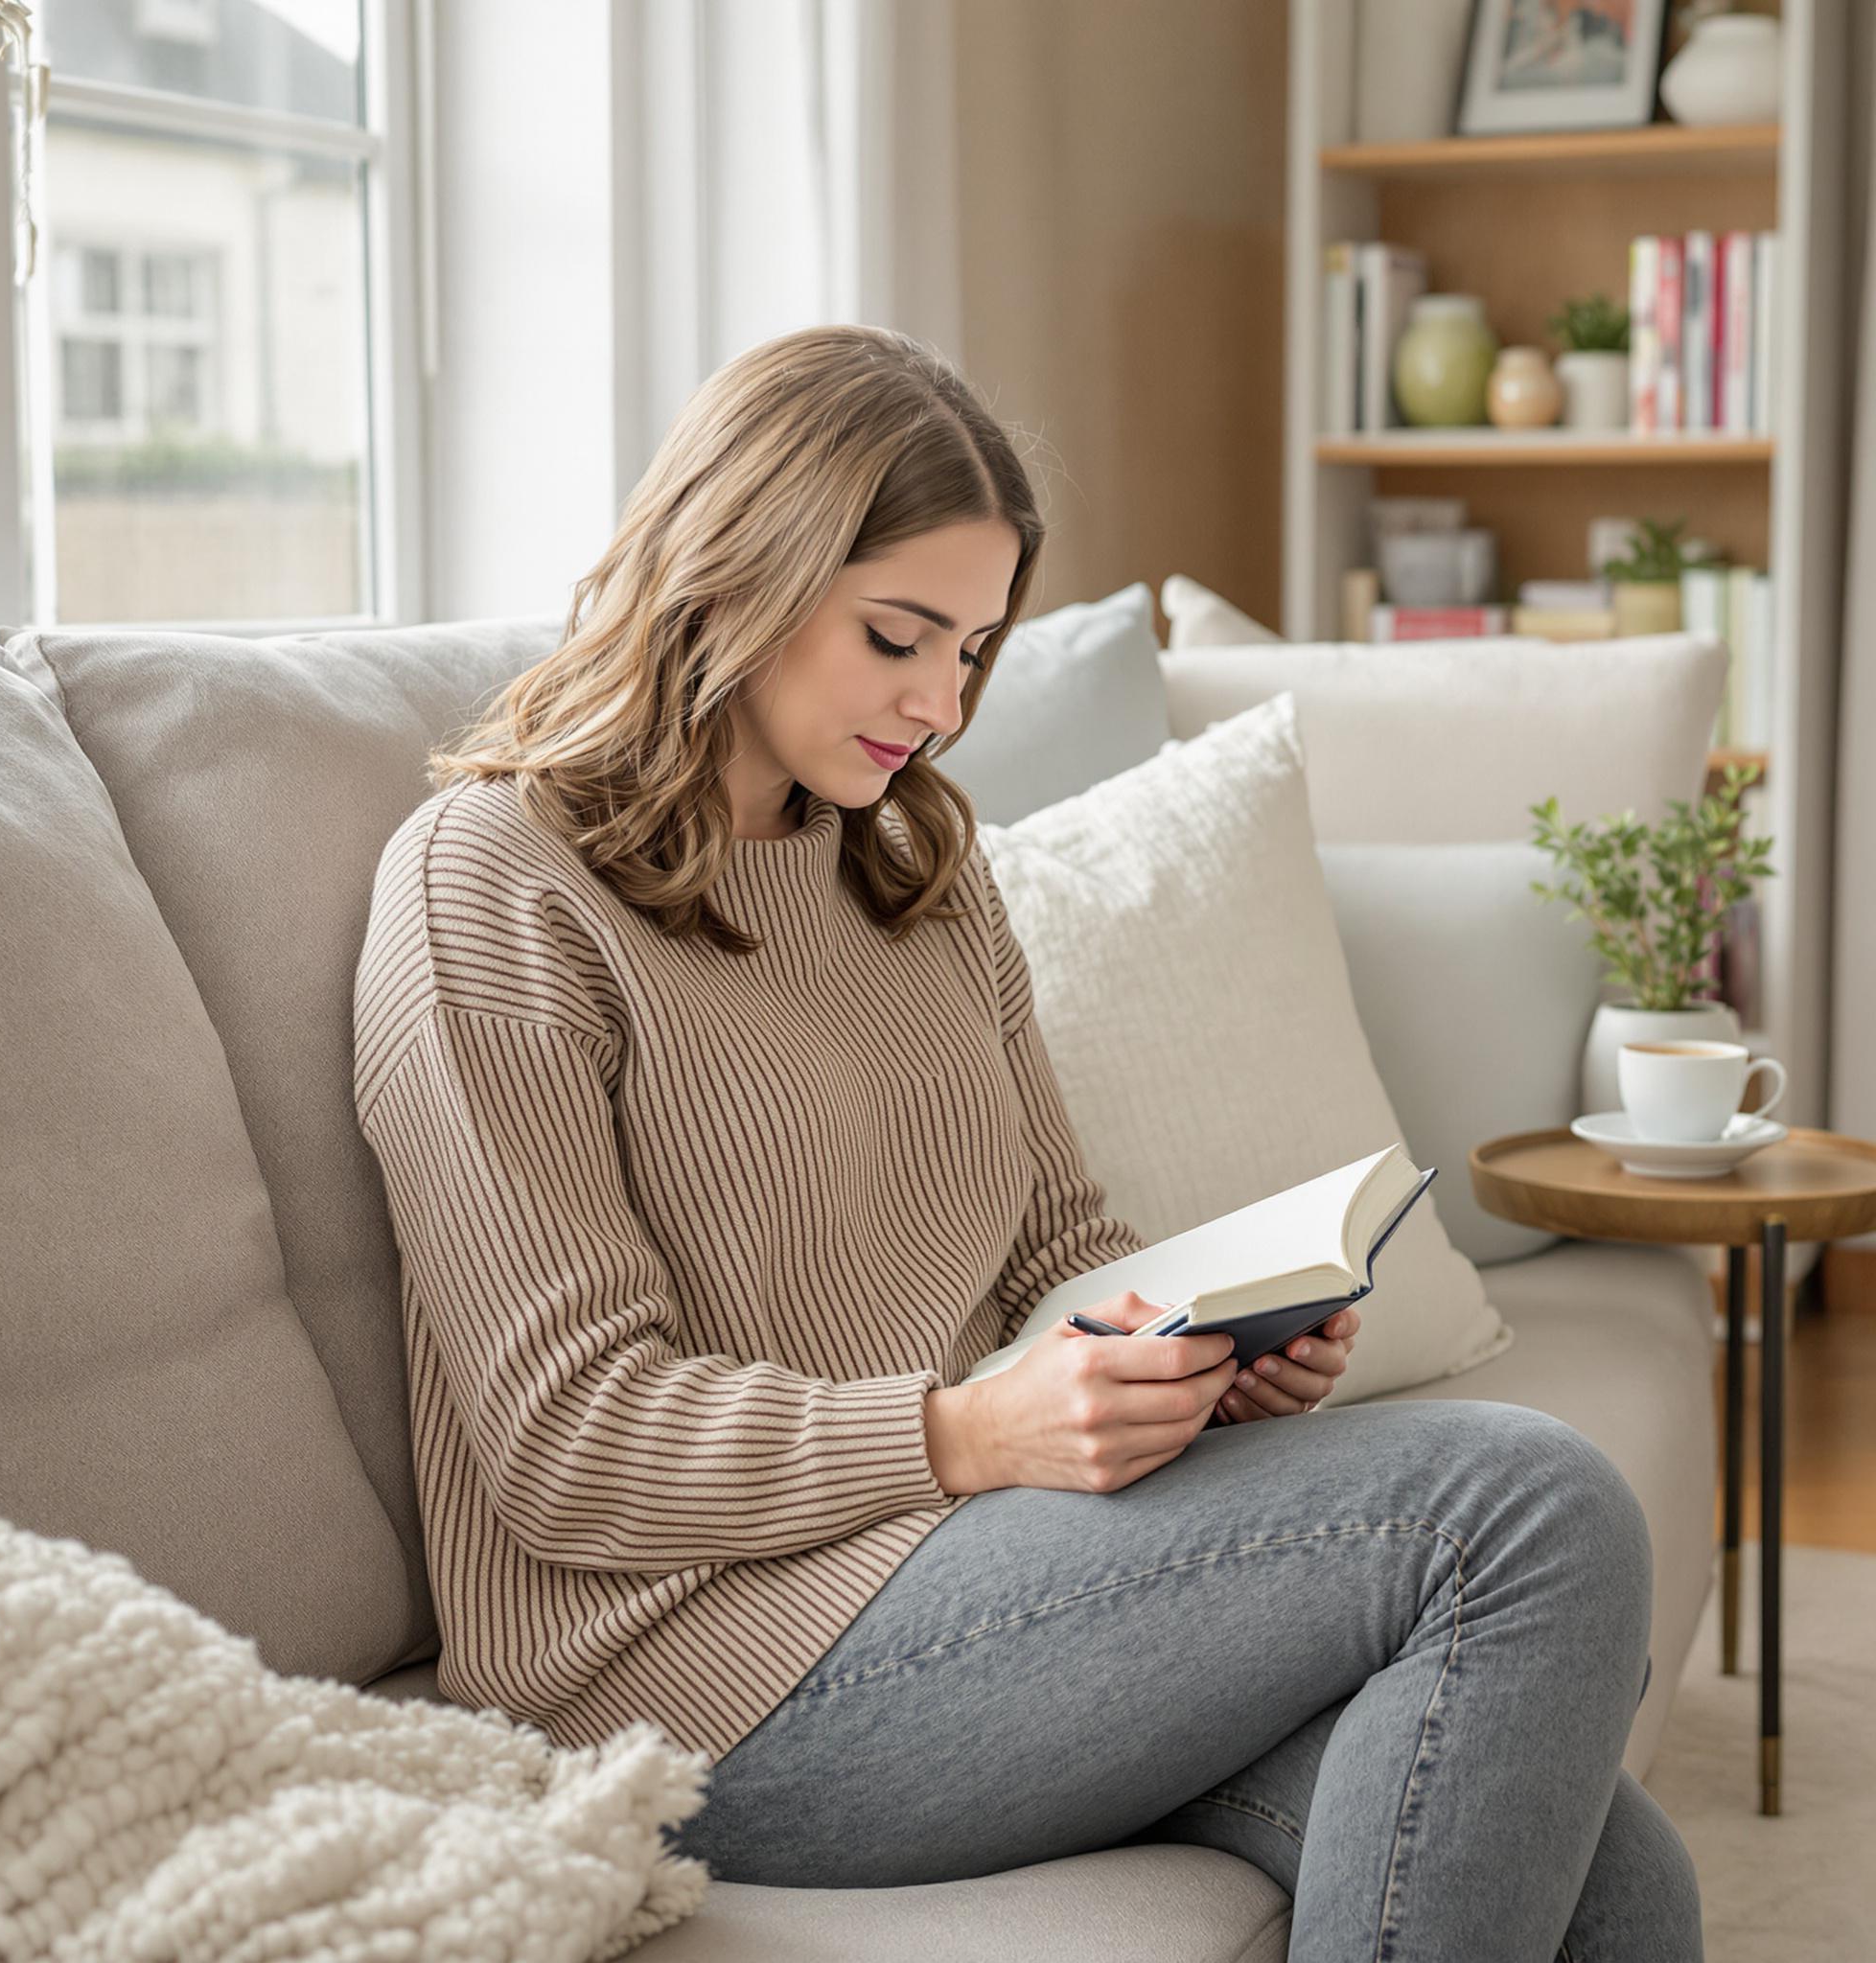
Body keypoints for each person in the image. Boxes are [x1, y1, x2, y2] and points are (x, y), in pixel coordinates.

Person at [350, 323, 1702, 1959]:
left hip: (975, 1567)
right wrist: (963, 1437)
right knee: (1525, 1508)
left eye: (975, 653)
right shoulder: (490, 884)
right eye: (897, 637)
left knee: (1623, 1885)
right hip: (697, 1674)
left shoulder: (911, 863)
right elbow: (567, 1440)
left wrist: (1195, 1342)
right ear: (738, 568)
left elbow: (1052, 1238)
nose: (938, 705)